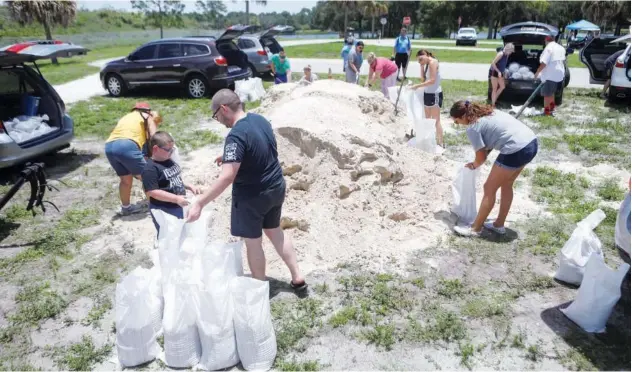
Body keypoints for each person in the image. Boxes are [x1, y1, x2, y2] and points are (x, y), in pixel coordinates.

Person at [186, 89, 306, 290]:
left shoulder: (235, 135)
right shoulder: (260, 120)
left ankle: (258, 289)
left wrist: (200, 202)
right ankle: (297, 277)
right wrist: (230, 157)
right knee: (275, 231)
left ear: (223, 109)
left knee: (253, 242)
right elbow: (261, 147)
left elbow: (226, 177)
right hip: (276, 186)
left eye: (216, 116)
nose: (218, 120)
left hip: (253, 196)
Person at [449, 100, 538, 237]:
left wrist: (473, 165)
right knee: (507, 184)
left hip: (515, 149)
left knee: (489, 188)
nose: (458, 125)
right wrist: (477, 161)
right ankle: (499, 224)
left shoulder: (473, 127)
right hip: (531, 143)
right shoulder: (490, 112)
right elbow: (488, 145)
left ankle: (475, 229)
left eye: (456, 122)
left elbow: (481, 159)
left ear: (463, 117)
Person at [105, 102, 160, 216]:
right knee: (147, 177)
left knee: (125, 180)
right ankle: (156, 209)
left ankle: (126, 208)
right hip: (126, 145)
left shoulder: (127, 117)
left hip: (109, 146)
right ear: (148, 111)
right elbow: (154, 137)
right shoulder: (147, 116)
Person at [142, 131, 201, 235]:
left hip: (177, 205)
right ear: (155, 149)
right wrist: (176, 199)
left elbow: (174, 178)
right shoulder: (150, 169)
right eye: (168, 150)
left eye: (172, 149)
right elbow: (153, 192)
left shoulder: (168, 160)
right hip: (164, 209)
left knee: (181, 232)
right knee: (168, 235)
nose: (171, 152)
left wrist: (187, 186)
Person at [412, 50, 444, 147]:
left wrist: (417, 86)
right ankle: (429, 141)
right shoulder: (426, 64)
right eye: (418, 61)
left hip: (435, 93)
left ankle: (441, 143)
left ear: (426, 55)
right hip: (427, 93)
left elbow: (432, 81)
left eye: (421, 59)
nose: (420, 61)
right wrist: (421, 66)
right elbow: (423, 79)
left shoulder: (433, 62)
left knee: (436, 120)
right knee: (427, 119)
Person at [535, 35, 566, 116]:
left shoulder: (549, 48)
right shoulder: (560, 47)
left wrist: (537, 72)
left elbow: (544, 62)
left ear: (546, 41)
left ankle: (546, 112)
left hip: (551, 74)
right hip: (559, 74)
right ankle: (552, 109)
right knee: (551, 93)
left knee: (546, 94)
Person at [489, 43, 514, 108]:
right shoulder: (501, 54)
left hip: (500, 72)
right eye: (510, 51)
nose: (511, 53)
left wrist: (504, 72)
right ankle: (493, 105)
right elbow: (493, 63)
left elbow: (503, 64)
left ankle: (494, 100)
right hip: (494, 72)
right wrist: (498, 72)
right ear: (507, 49)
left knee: (502, 87)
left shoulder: (507, 55)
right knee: (494, 89)